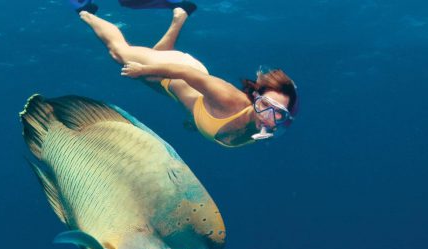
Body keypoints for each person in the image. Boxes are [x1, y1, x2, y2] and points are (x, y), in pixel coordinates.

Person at [79, 7, 298, 147]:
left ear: (286, 119)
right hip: (181, 70)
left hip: (173, 89)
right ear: (255, 98)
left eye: (278, 114)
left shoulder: (260, 133)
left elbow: (210, 115)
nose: (268, 117)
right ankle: (86, 11)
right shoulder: (228, 98)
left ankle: (180, 15)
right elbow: (185, 72)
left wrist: (197, 122)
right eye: (265, 105)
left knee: (157, 54)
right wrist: (141, 70)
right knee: (120, 54)